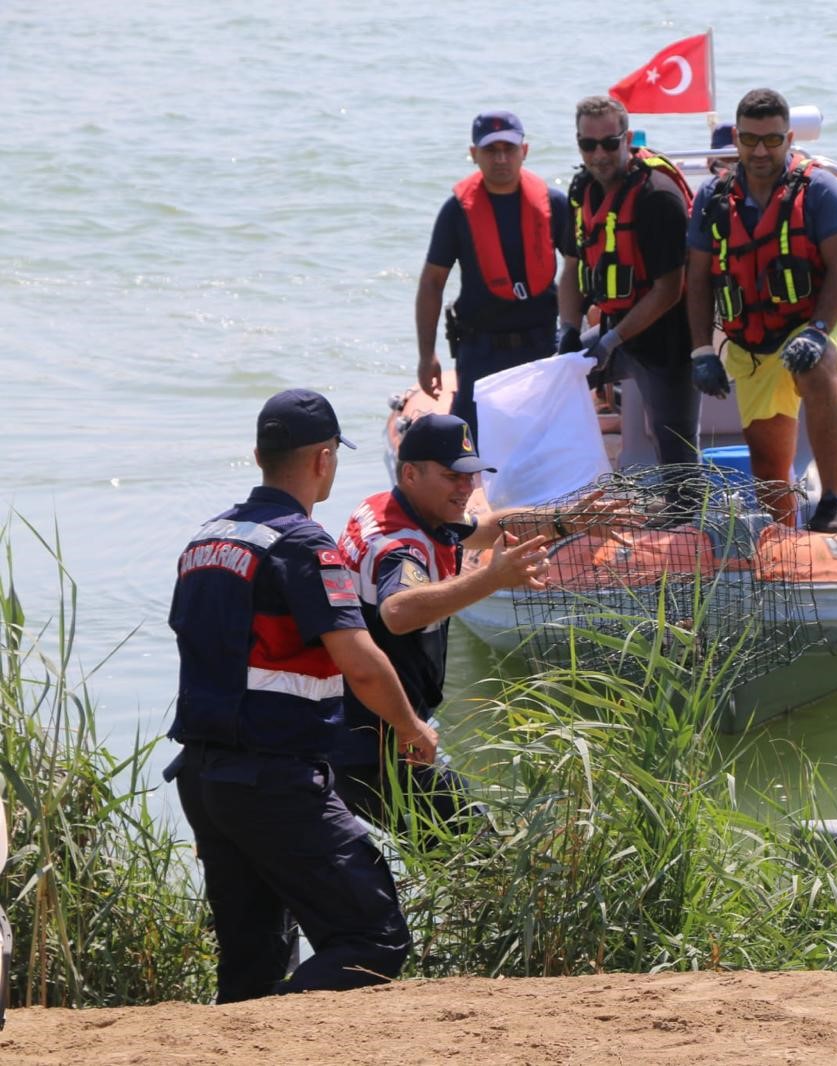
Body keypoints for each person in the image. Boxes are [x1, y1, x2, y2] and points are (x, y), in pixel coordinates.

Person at [165, 389, 439, 1002]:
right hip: (274, 780)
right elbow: (361, 664)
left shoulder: (206, 541)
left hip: (204, 779)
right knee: (372, 938)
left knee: (251, 963)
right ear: (322, 459)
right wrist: (410, 727)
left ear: (259, 454)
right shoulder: (305, 545)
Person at [332, 412, 550, 832]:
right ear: (411, 473)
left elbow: (485, 529)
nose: (467, 488)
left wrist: (568, 521)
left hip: (358, 730)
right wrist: (492, 578)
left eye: (471, 476)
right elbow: (398, 612)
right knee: (480, 859)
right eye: (453, 477)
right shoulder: (401, 545)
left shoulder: (391, 507)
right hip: (378, 744)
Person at [685, 88, 837, 533]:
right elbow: (699, 277)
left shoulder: (820, 190)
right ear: (737, 140)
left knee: (815, 367)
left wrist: (818, 330)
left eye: (773, 140)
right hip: (752, 341)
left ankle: (834, 500)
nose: (761, 150)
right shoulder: (713, 198)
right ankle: (783, 535)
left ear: (790, 138)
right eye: (750, 139)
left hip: (815, 323)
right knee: (766, 461)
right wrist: (702, 351)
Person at [557, 96, 700, 469]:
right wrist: (569, 329)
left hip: (665, 340)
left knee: (676, 449)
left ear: (628, 138)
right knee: (553, 385)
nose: (599, 154)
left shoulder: (658, 198)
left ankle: (685, 518)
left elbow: (669, 289)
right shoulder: (581, 190)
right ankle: (564, 489)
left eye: (609, 142)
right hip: (611, 331)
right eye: (589, 145)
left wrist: (611, 341)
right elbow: (570, 268)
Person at [417, 111, 571, 437]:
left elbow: (578, 267)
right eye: (490, 150)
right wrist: (426, 353)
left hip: (542, 347)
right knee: (470, 448)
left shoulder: (554, 204)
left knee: (545, 443)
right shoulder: (456, 211)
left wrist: (576, 330)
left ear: (524, 151)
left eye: (509, 148)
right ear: (474, 154)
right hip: (480, 351)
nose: (501, 158)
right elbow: (432, 282)